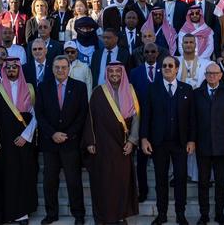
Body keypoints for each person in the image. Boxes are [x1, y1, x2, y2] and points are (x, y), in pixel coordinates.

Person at [83, 62, 140, 224]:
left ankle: (121, 216)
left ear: (122, 73)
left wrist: (132, 141)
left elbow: (136, 118)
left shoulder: (130, 90)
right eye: (111, 71)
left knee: (122, 184)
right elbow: (90, 118)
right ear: (106, 74)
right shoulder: (98, 92)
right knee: (104, 183)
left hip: (123, 146)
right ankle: (103, 217)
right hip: (103, 146)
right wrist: (90, 141)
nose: (114, 74)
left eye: (118, 71)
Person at [141, 56, 195, 225]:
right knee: (160, 180)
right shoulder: (152, 89)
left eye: (170, 65)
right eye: (164, 66)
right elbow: (146, 116)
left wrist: (192, 140)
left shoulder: (187, 89)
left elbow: (192, 118)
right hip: (159, 143)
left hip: (180, 143)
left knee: (180, 179)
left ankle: (181, 213)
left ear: (177, 69)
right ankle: (162, 214)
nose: (167, 68)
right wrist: (144, 138)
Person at [0, 58, 38, 225]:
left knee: (24, 177)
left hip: (24, 143)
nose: (12, 70)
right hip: (5, 144)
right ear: (4, 70)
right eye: (8, 68)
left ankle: (22, 214)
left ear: (19, 69)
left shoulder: (30, 88)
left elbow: (36, 116)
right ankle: (7, 213)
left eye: (15, 67)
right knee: (6, 177)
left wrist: (26, 136)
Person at [36, 56, 89, 225]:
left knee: (74, 181)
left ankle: (78, 214)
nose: (60, 70)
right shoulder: (43, 87)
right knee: (49, 181)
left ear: (69, 68)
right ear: (52, 69)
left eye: (64, 67)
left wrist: (68, 134)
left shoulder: (79, 87)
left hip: (71, 142)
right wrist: (53, 134)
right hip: (50, 142)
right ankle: (52, 214)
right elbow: (40, 114)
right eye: (57, 67)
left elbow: (82, 114)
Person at [192, 62, 224, 225]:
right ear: (205, 75)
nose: (212, 76)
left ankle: (219, 214)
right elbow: (192, 119)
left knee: (220, 183)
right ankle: (204, 215)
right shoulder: (196, 94)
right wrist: (192, 140)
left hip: (222, 145)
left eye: (215, 73)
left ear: (220, 75)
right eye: (209, 73)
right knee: (203, 183)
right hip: (202, 145)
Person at [129, 42, 162, 202]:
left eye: (153, 51)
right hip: (141, 121)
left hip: (159, 122)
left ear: (157, 53)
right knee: (141, 162)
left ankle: (160, 191)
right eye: (147, 52)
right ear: (143, 54)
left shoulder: (165, 70)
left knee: (159, 162)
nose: (150, 54)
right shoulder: (135, 73)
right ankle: (142, 191)